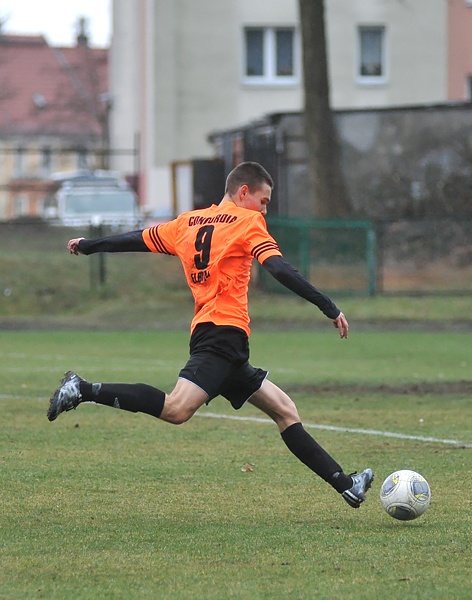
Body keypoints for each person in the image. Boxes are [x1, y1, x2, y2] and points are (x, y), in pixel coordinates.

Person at [47, 161, 374, 507]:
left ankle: (346, 484)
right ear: (243, 192)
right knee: (176, 409)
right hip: (223, 336)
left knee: (284, 411)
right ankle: (82, 389)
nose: (265, 209)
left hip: (219, 338)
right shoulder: (248, 222)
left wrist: (89, 245)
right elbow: (278, 267)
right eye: (263, 201)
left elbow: (136, 240)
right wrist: (329, 306)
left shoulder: (187, 222)